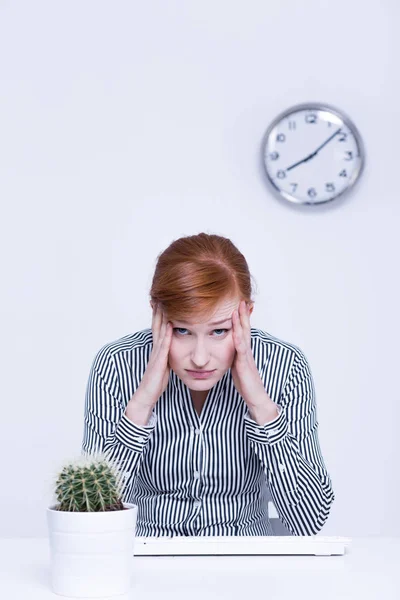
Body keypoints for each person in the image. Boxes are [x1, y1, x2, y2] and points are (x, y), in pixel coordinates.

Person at [81, 232, 335, 536]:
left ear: (247, 314)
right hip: (145, 559)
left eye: (219, 331)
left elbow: (308, 521)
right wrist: (141, 405)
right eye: (183, 331)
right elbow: (88, 517)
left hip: (247, 561)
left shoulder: (285, 366)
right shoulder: (117, 364)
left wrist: (260, 405)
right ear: (157, 313)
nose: (200, 358)